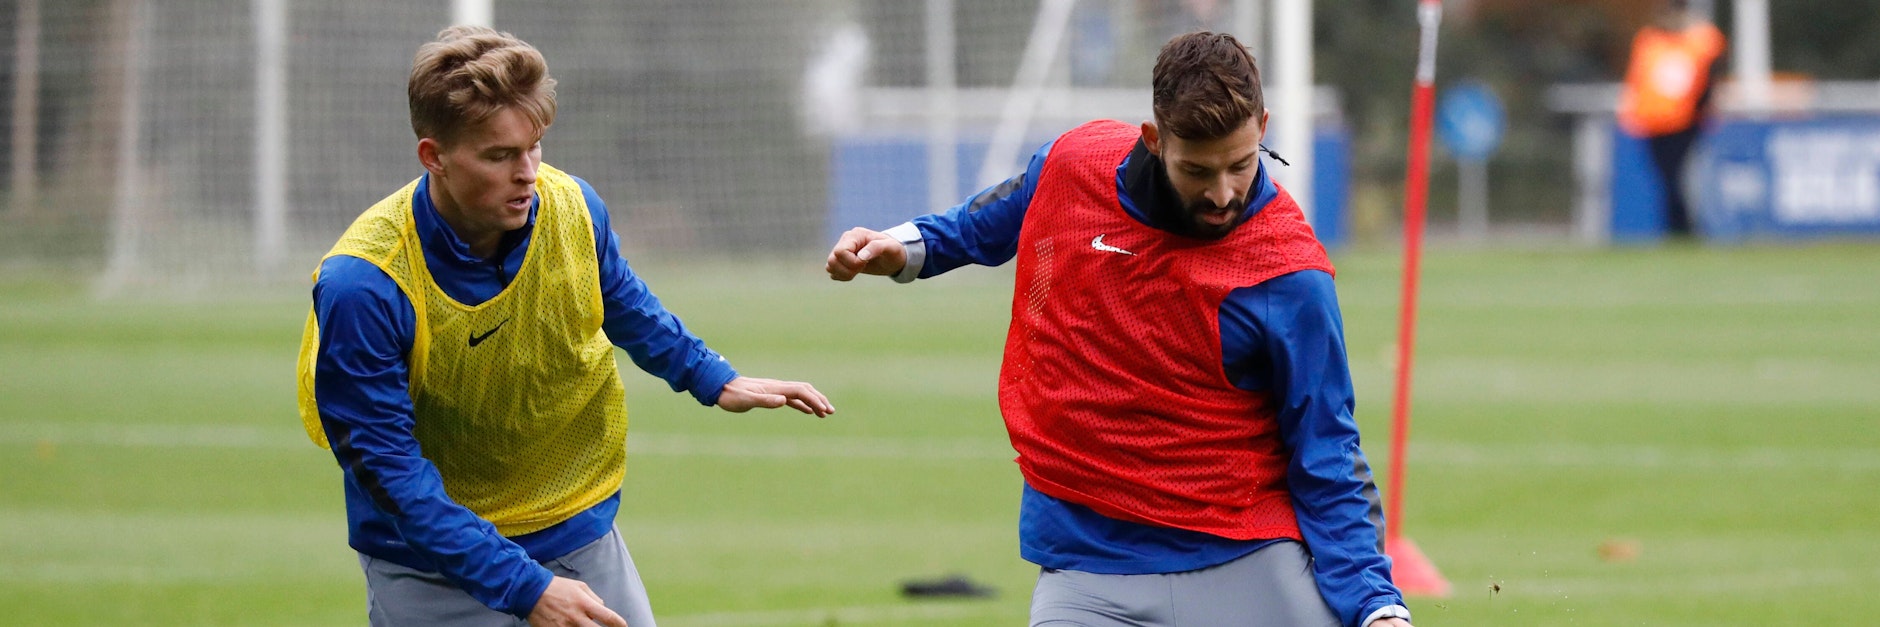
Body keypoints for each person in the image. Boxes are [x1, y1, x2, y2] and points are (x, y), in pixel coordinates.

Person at [826, 31, 1408, 627]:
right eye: (1197, 170)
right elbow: (985, 221)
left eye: (1240, 164)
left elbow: (1327, 446)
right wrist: (899, 246)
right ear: (1154, 140)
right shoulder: (1073, 166)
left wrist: (1377, 604)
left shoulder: (1289, 273)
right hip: (1088, 571)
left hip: (1247, 554)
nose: (1223, 192)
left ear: (1263, 126)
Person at [295, 26, 833, 627]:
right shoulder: (364, 285)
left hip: (576, 533)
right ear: (434, 157)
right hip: (430, 568)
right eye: (499, 156)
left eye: (535, 147)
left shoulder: (572, 206)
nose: (527, 173)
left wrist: (711, 377)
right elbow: (388, 467)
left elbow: (619, 297)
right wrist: (525, 587)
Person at [1617, 0, 1726, 237]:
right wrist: (1631, 112)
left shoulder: (1701, 41)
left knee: (1681, 179)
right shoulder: (1649, 42)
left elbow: (1710, 79)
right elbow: (1637, 80)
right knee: (1666, 180)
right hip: (1653, 123)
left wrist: (1705, 112)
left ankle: (1686, 229)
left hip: (1686, 123)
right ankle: (1674, 229)